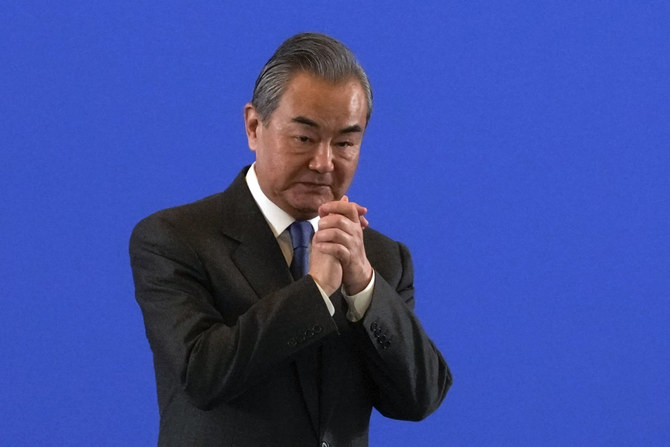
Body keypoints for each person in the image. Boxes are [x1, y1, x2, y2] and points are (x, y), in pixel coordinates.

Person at [129, 32, 452, 447]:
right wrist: (315, 291)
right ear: (253, 126)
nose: (323, 163)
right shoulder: (174, 238)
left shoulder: (383, 259)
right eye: (304, 138)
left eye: (346, 143)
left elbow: (418, 399)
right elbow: (202, 375)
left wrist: (364, 288)